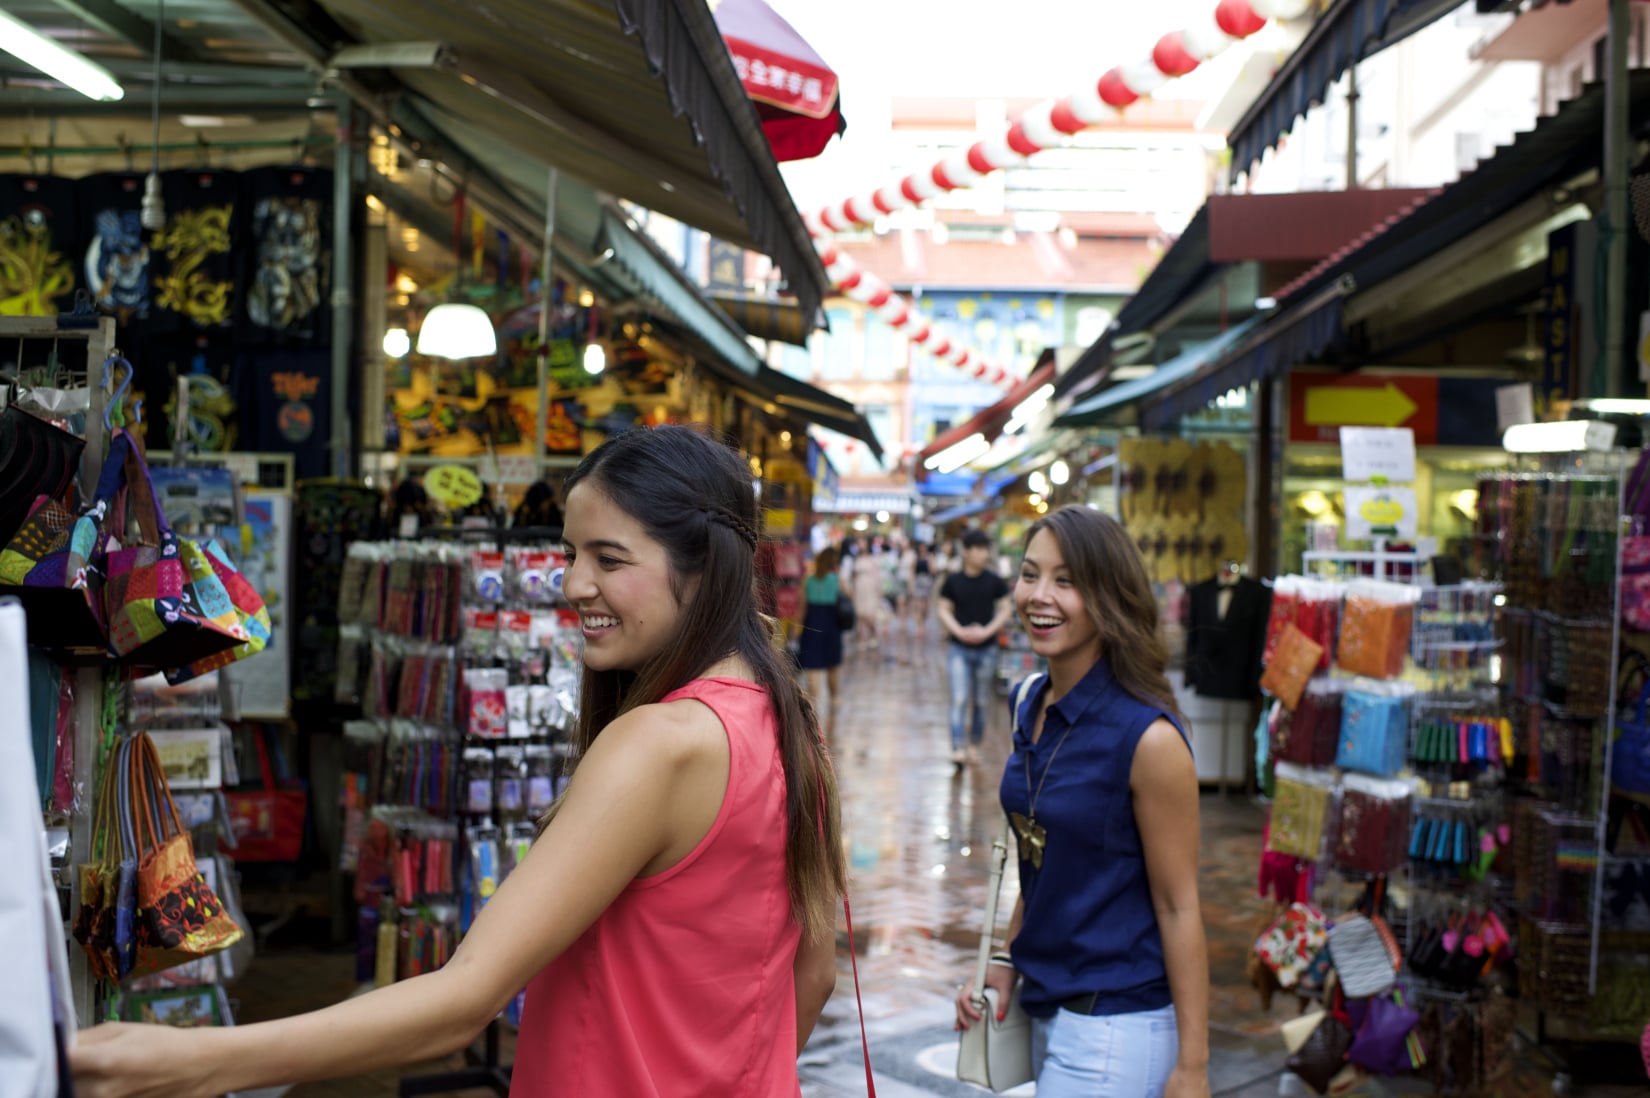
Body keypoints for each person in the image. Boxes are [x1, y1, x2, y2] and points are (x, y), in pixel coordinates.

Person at [71, 425, 846, 1098]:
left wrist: (195, 1062)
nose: (573, 584)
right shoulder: (790, 726)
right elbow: (810, 980)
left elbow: (462, 1000)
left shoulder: (661, 743)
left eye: (610, 559)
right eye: (571, 553)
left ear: (705, 569)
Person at [954, 506, 1209, 1098]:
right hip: (1046, 1005)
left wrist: (1193, 1067)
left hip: (1115, 1026)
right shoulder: (1028, 703)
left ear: (1109, 597)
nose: (1039, 596)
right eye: (1029, 574)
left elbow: (1179, 906)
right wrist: (1006, 960)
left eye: (1066, 581)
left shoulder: (1149, 738)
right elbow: (1040, 856)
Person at [936, 528, 1012, 765]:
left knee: (981, 700)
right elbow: (943, 608)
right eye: (978, 549)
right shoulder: (953, 580)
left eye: (985, 549)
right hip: (958, 647)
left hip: (987, 647)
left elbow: (1006, 608)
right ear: (966, 552)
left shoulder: (995, 581)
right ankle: (958, 747)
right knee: (958, 698)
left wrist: (987, 631)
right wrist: (958, 630)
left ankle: (974, 744)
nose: (983, 554)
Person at [797, 546, 845, 735]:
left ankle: (814, 707)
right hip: (831, 626)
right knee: (832, 666)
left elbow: (801, 609)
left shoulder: (807, 581)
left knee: (813, 667)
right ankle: (834, 700)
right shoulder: (836, 580)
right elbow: (848, 598)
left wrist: (795, 630)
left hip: (812, 626)